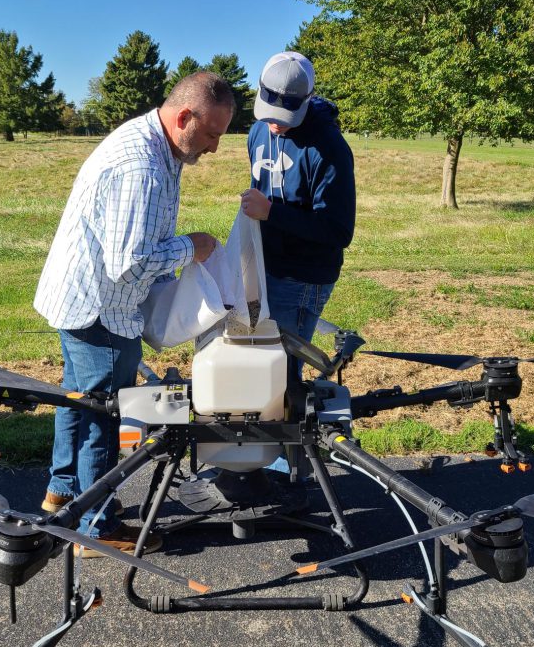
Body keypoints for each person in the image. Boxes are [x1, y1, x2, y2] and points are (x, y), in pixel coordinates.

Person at [33, 72, 235, 555]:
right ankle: (97, 527)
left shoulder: (162, 147)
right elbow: (130, 263)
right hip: (100, 309)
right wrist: (194, 248)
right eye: (211, 134)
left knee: (78, 401)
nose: (214, 148)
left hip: (90, 299)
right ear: (183, 117)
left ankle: (62, 494)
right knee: (102, 412)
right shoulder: (140, 165)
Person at [240, 52, 355, 478]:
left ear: (306, 102)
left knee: (283, 370)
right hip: (266, 267)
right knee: (257, 361)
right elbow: (263, 186)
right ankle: (264, 457)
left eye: (286, 115)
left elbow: (339, 231)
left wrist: (273, 215)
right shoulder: (257, 131)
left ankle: (285, 471)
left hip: (304, 276)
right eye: (269, 112)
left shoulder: (329, 148)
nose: (275, 123)